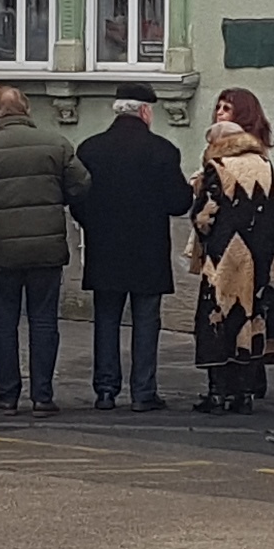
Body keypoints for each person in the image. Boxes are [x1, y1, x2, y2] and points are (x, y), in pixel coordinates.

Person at [0, 86, 91, 413]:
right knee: (44, 321)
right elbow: (81, 185)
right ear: (27, 111)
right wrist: (56, 199)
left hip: (0, 248)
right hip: (46, 247)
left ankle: (7, 395)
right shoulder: (56, 144)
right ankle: (42, 396)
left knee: (4, 323)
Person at [188, 89, 274, 414]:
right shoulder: (264, 163)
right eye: (218, 107)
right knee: (251, 318)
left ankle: (218, 393)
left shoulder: (218, 165)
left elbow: (204, 216)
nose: (219, 112)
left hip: (223, 256)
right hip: (258, 256)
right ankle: (245, 392)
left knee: (217, 319)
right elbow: (273, 212)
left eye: (227, 108)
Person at [75, 97, 182, 410]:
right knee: (146, 321)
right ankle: (143, 392)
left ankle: (105, 391)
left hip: (105, 248)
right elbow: (179, 202)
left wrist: (94, 224)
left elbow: (77, 198)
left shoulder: (90, 149)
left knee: (106, 319)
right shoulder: (162, 150)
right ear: (145, 112)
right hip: (148, 250)